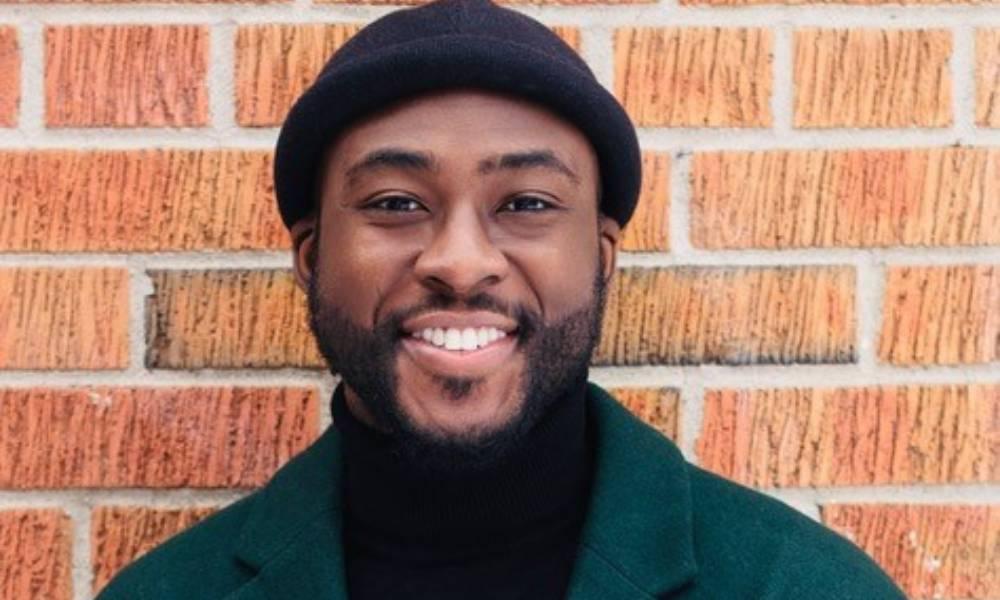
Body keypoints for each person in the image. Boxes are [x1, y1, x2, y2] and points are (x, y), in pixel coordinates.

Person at [96, 0, 908, 598]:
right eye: (394, 203)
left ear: (600, 258)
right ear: (310, 257)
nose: (459, 261)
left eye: (525, 204)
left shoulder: (805, 586)